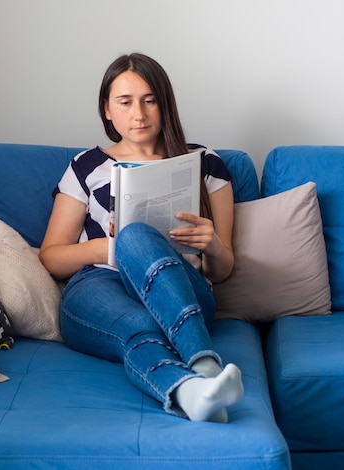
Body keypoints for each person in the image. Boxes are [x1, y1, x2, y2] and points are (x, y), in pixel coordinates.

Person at [39, 53, 244, 423]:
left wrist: (211, 243)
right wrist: (110, 247)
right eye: (125, 101)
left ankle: (204, 364)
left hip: (180, 287)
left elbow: (223, 269)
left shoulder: (205, 162)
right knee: (140, 321)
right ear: (107, 110)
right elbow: (51, 256)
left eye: (150, 100)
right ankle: (194, 392)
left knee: (137, 238)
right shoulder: (86, 166)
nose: (139, 113)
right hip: (99, 283)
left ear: (165, 105)